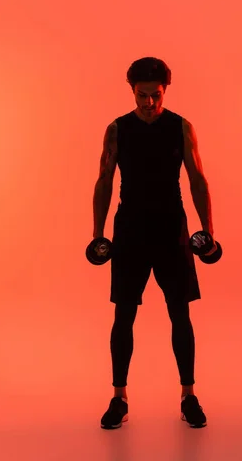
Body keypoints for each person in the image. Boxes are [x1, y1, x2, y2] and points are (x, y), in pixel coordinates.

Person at [93, 57, 217, 429]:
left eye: (156, 95)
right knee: (123, 315)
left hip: (171, 229)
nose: (149, 102)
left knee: (180, 313)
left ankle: (189, 395)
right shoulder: (117, 129)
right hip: (130, 229)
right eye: (142, 95)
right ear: (132, 91)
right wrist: (98, 235)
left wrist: (208, 232)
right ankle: (119, 399)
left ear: (166, 90)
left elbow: (198, 179)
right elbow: (103, 181)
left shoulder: (181, 128)